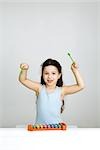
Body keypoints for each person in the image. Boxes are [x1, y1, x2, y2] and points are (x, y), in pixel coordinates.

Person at [19, 58, 84, 125]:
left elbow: (80, 86)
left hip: (57, 129)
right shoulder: (39, 88)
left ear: (59, 75)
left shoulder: (62, 91)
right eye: (46, 73)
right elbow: (23, 80)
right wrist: (24, 70)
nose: (49, 76)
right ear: (42, 75)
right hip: (40, 130)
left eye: (53, 73)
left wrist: (75, 70)